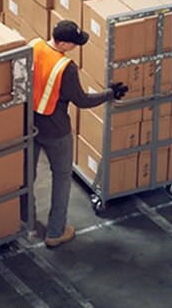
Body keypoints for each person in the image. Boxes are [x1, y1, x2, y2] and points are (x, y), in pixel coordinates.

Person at [23, 20, 128, 248]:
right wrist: (111, 93)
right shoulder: (65, 67)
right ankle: (55, 232)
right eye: (73, 44)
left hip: (29, 125)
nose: (75, 48)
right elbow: (81, 100)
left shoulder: (33, 46)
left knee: (26, 176)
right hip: (56, 131)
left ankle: (25, 222)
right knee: (61, 179)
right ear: (62, 43)